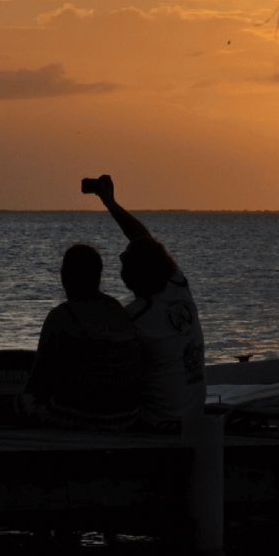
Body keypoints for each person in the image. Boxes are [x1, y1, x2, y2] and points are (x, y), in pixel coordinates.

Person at [85, 175, 206, 432]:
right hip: (194, 415)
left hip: (157, 424)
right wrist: (110, 203)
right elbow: (142, 238)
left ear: (134, 276)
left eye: (125, 258)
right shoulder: (178, 289)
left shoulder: (135, 319)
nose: (120, 254)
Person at [23, 243, 142, 430]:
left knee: (23, 404)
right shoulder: (117, 310)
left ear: (66, 277)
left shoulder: (62, 316)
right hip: (125, 417)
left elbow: (37, 382)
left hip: (79, 419)